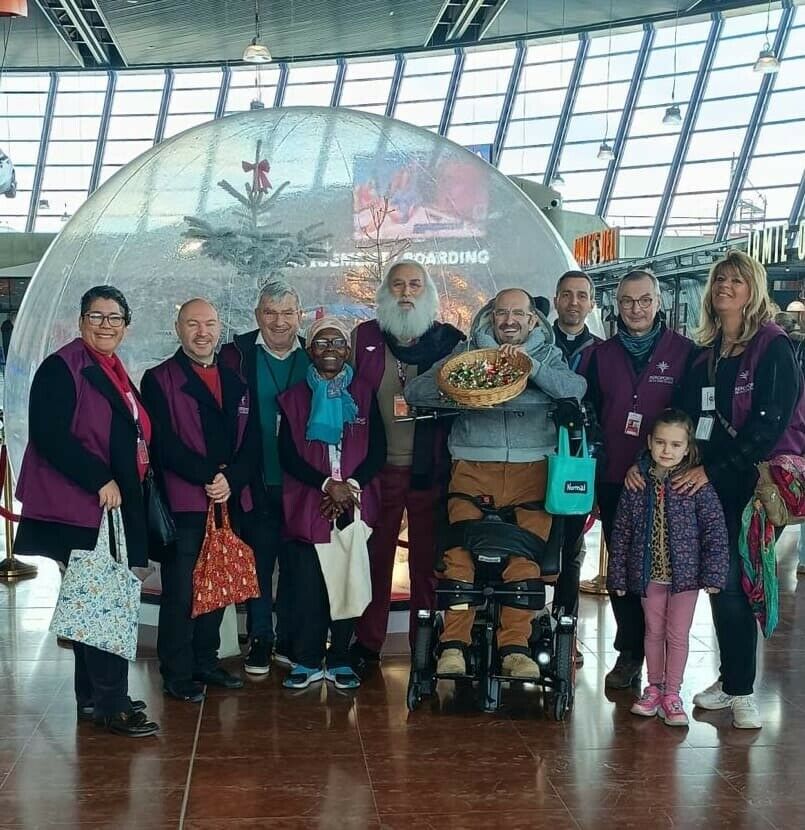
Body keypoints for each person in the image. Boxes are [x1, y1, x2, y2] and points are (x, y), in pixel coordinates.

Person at [405, 288, 586, 678]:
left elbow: (576, 390)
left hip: (533, 472)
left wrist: (530, 368)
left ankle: (515, 648)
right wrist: (457, 380)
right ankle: (453, 645)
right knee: (459, 553)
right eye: (502, 312)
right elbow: (414, 392)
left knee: (526, 557)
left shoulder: (549, 356)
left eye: (518, 313)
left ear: (532, 320)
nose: (509, 320)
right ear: (490, 317)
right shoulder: (467, 352)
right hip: (472, 467)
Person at [14, 286, 158, 737]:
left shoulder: (112, 369)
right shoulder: (62, 367)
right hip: (81, 508)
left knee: (92, 603)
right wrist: (100, 478)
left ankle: (93, 699)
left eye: (115, 318)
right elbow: (51, 435)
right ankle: (113, 704)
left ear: (126, 326)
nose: (106, 326)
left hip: (106, 507)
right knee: (104, 604)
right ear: (81, 321)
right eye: (96, 317)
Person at [673, 251, 805, 729]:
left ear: (754, 290)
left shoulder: (772, 346)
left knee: (735, 581)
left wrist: (715, 471)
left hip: (747, 485)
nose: (725, 287)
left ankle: (742, 689)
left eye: (736, 280)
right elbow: (690, 416)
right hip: (707, 482)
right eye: (719, 280)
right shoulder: (707, 352)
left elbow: (771, 424)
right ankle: (731, 679)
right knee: (720, 580)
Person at [349, 261, 464, 673]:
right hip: (377, 472)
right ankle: (367, 643)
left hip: (430, 470)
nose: (406, 292)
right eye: (397, 284)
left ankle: (426, 646)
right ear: (384, 291)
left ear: (429, 292)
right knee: (374, 559)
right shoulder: (364, 337)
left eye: (415, 284)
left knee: (427, 565)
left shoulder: (450, 342)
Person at [141, 299, 258, 703]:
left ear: (219, 328)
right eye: (193, 324)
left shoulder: (237, 380)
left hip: (229, 500)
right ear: (179, 328)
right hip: (186, 501)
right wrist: (211, 477)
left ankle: (206, 662)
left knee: (219, 585)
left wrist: (232, 479)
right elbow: (163, 446)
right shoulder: (159, 379)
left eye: (209, 324)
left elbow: (253, 442)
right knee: (183, 591)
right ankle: (176, 671)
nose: (202, 332)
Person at [584, 269, 694, 689]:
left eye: (645, 300)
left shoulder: (685, 353)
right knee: (624, 570)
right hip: (615, 480)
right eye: (628, 301)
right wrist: (595, 473)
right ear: (616, 305)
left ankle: (666, 658)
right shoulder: (600, 355)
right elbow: (591, 415)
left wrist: (651, 465)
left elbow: (687, 419)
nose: (636, 308)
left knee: (662, 570)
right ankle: (630, 652)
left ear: (659, 302)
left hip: (670, 484)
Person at [276, 318, 386, 690]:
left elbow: (378, 450)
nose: (330, 350)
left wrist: (349, 487)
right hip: (311, 501)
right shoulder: (293, 399)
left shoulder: (366, 394)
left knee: (348, 583)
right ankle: (307, 660)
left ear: (348, 351)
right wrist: (326, 486)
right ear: (310, 350)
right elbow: (287, 455)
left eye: (337, 343)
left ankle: (339, 657)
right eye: (322, 343)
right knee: (309, 588)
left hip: (355, 500)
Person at [607, 410, 729, 727]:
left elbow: (715, 531)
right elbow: (621, 533)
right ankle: (654, 689)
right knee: (653, 632)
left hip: (685, 580)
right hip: (649, 576)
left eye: (676, 445)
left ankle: (672, 694)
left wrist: (714, 575)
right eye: (660, 442)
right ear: (649, 443)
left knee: (677, 635)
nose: (667, 450)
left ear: (688, 448)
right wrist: (618, 575)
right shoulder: (636, 484)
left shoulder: (697, 487)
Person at [219, 280, 309, 674]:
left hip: (303, 484)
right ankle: (261, 637)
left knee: (296, 564)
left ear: (299, 316)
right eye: (270, 313)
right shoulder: (235, 355)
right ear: (257, 316)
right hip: (255, 480)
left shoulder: (317, 354)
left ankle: (288, 635)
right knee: (257, 561)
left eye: (288, 313)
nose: (279, 321)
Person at [550, 270, 601, 641]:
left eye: (581, 295)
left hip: (577, 463)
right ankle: (520, 632)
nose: (573, 302)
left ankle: (564, 630)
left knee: (571, 549)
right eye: (566, 294)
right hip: (532, 459)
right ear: (555, 300)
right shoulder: (535, 344)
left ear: (591, 303)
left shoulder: (601, 353)